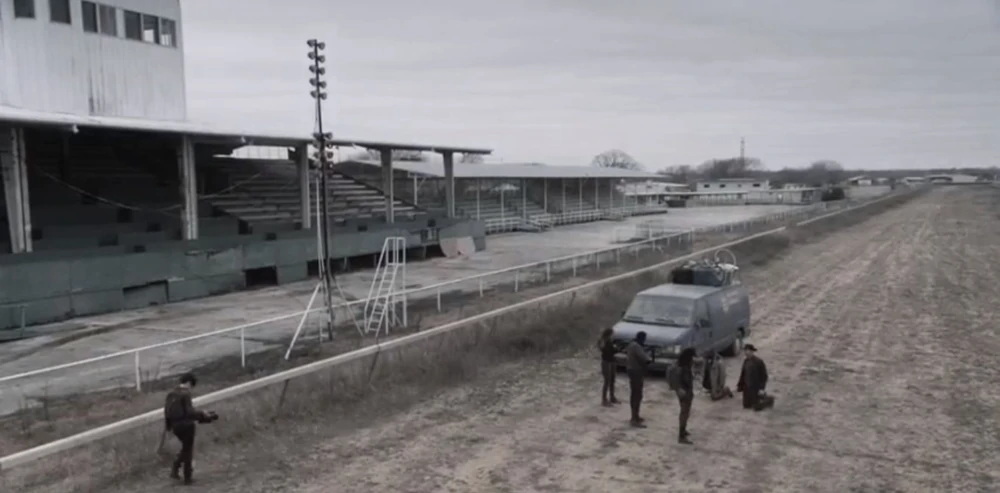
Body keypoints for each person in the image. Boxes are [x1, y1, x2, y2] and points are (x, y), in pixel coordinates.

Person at [164, 373, 211, 485]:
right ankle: (187, 477)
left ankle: (175, 469)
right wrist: (202, 414)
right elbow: (190, 412)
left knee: (185, 448)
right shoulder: (185, 394)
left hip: (175, 426)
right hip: (187, 425)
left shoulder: (171, 393)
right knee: (188, 450)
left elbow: (166, 412)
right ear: (189, 383)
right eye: (192, 385)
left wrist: (169, 427)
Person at [667, 348, 696, 444]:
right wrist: (679, 389)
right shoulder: (681, 368)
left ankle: (683, 431)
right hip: (684, 392)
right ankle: (681, 435)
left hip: (685, 390)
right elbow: (678, 380)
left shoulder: (681, 364)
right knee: (684, 413)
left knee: (685, 412)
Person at [624, 331, 652, 427]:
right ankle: (634, 418)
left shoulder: (632, 345)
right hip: (636, 371)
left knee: (634, 394)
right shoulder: (636, 346)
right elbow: (645, 359)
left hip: (631, 370)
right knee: (637, 394)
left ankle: (635, 416)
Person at [736, 344, 773, 411]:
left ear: (752, 352)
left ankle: (768, 400)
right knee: (746, 406)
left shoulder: (759, 362)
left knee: (757, 407)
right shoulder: (745, 361)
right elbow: (743, 375)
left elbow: (764, 376)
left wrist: (761, 388)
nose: (746, 352)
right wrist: (739, 386)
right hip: (747, 389)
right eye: (745, 350)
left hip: (755, 388)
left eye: (748, 350)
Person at [597, 328, 620, 407]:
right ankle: (604, 399)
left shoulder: (607, 341)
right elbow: (607, 351)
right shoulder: (604, 341)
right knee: (607, 381)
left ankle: (611, 397)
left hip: (611, 361)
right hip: (607, 362)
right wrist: (616, 348)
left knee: (612, 380)